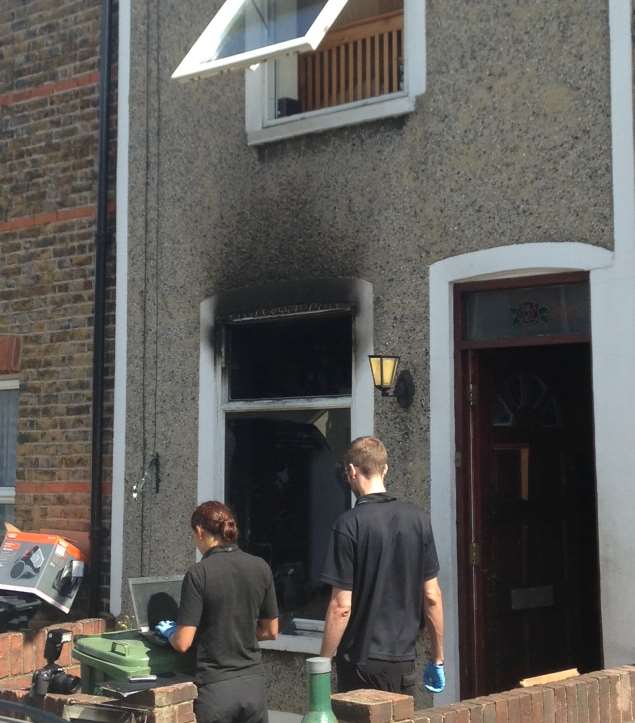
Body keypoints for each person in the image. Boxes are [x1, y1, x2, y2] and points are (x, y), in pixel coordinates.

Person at [319, 436, 445, 696]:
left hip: (359, 663)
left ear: (351, 471)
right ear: (385, 469)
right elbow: (432, 597)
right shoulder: (419, 521)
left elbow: (341, 607)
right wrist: (438, 657)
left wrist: (323, 662)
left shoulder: (348, 525)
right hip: (403, 663)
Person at [154, 501, 279, 723]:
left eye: (194, 535)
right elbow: (271, 631)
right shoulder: (260, 567)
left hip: (216, 691)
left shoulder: (199, 574)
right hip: (253, 687)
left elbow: (183, 642)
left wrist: (169, 632)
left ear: (200, 531)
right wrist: (239, 633)